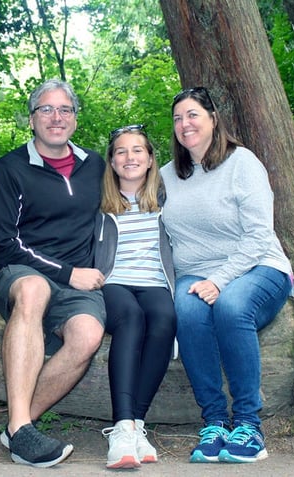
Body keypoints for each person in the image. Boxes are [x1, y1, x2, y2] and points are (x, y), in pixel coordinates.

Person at [161, 86, 294, 464]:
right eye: (177, 118)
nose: (184, 124)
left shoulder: (243, 163)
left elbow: (258, 236)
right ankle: (216, 423)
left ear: (213, 119)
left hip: (258, 268)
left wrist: (219, 280)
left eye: (192, 115)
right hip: (194, 273)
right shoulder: (168, 176)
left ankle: (249, 425)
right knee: (185, 311)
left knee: (232, 308)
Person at [0, 79, 107, 468]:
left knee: (88, 335)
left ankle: (19, 429)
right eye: (47, 110)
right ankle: (22, 428)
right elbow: (3, 243)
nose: (57, 117)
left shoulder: (95, 166)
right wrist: (68, 273)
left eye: (65, 110)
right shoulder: (10, 169)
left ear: (75, 118)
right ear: (32, 119)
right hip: (22, 272)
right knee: (36, 289)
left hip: (79, 281)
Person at [94, 125, 177, 469]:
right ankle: (121, 426)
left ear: (150, 159)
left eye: (138, 150)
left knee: (165, 319)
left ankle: (136, 425)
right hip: (114, 282)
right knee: (131, 318)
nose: (130, 157)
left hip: (156, 282)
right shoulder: (97, 202)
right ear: (112, 162)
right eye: (121, 152)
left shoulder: (168, 199)